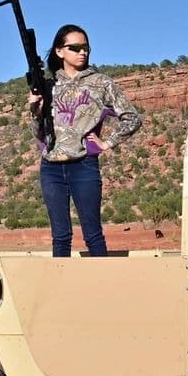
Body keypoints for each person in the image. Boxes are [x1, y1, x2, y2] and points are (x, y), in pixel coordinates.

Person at [28, 24, 142, 257]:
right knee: (60, 237)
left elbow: (132, 118)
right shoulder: (48, 86)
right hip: (51, 167)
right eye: (76, 47)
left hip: (84, 166)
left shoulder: (100, 83)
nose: (83, 52)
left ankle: (102, 288)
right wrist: (34, 110)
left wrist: (107, 143)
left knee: (93, 234)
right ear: (60, 51)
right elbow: (38, 134)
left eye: (86, 48)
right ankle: (62, 289)